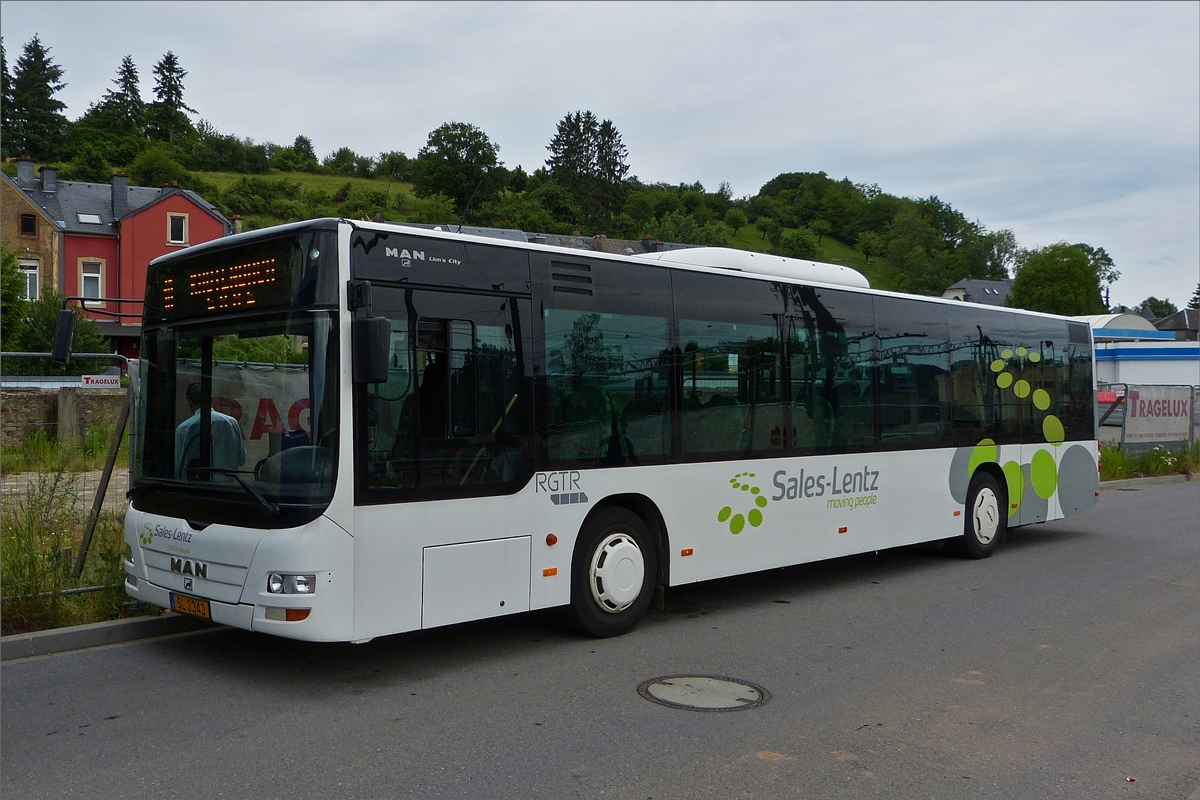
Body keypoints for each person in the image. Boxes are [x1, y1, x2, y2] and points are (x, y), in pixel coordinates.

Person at [175, 382, 247, 477]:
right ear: (211, 400)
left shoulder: (183, 429)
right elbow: (241, 459)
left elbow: (179, 468)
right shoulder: (231, 422)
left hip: (196, 487)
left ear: (189, 402)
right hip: (229, 487)